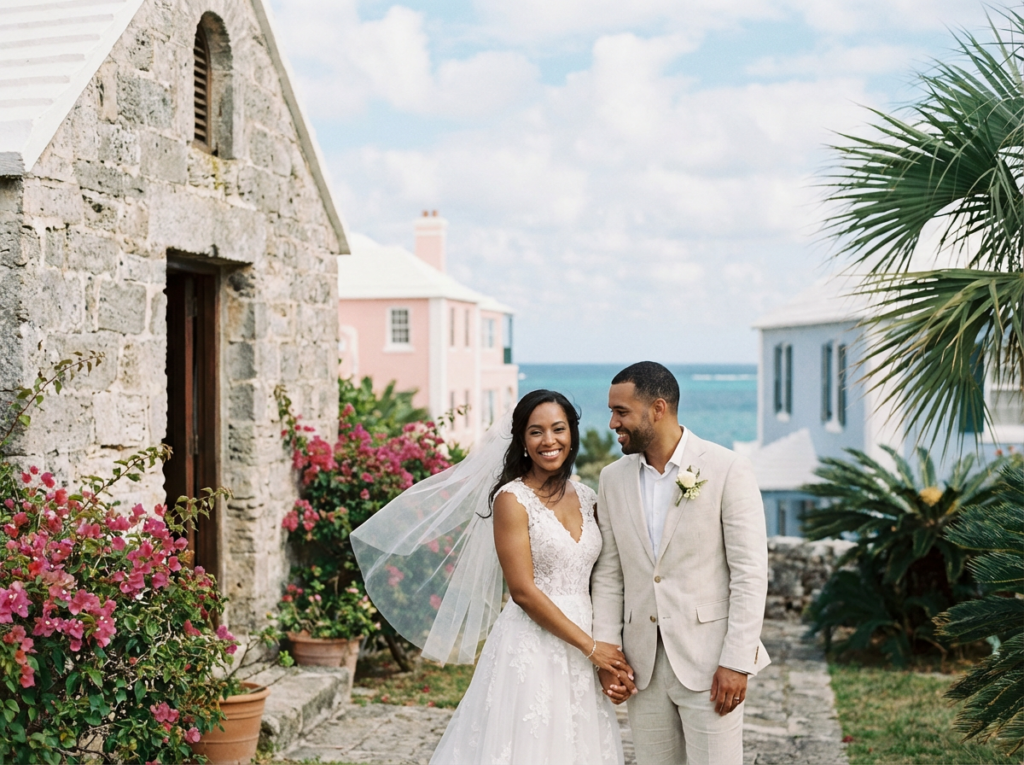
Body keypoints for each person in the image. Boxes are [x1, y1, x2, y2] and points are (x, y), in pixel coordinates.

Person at [352, 389, 629, 764]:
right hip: (533, 643)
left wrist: (603, 646)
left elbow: (606, 576)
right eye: (536, 432)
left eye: (558, 429)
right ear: (522, 441)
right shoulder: (511, 500)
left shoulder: (588, 497)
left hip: (583, 643)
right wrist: (591, 648)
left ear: (572, 434)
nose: (549, 441)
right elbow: (523, 591)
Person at [591, 361, 770, 765]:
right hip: (642, 667)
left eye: (621, 412)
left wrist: (737, 662)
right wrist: (607, 651)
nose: (612, 423)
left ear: (658, 409)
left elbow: (749, 573)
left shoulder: (727, 469)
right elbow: (609, 573)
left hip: (710, 664)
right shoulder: (612, 478)